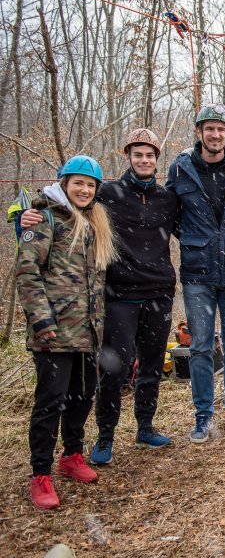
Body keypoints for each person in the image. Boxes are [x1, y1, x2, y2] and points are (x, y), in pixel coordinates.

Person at [20, 129, 179, 465]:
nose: (144, 160)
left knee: (150, 367)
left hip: (159, 293)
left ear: (156, 160)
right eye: (138, 154)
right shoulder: (107, 193)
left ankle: (146, 427)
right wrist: (23, 216)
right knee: (113, 371)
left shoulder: (168, 198)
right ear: (128, 158)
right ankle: (105, 436)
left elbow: (197, 227)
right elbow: (60, 203)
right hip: (118, 295)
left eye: (150, 155)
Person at [16, 155, 117, 509]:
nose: (84, 189)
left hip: (87, 333)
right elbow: (28, 272)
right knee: (50, 403)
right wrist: (42, 321)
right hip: (53, 334)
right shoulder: (43, 219)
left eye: (90, 185)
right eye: (78, 183)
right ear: (63, 182)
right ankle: (40, 473)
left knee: (82, 396)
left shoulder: (92, 224)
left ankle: (72, 454)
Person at [166, 103, 225, 442]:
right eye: (209, 128)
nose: (215, 134)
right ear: (199, 132)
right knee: (200, 348)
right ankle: (203, 417)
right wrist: (196, 240)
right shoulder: (181, 168)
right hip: (197, 274)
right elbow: (167, 213)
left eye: (220, 128)